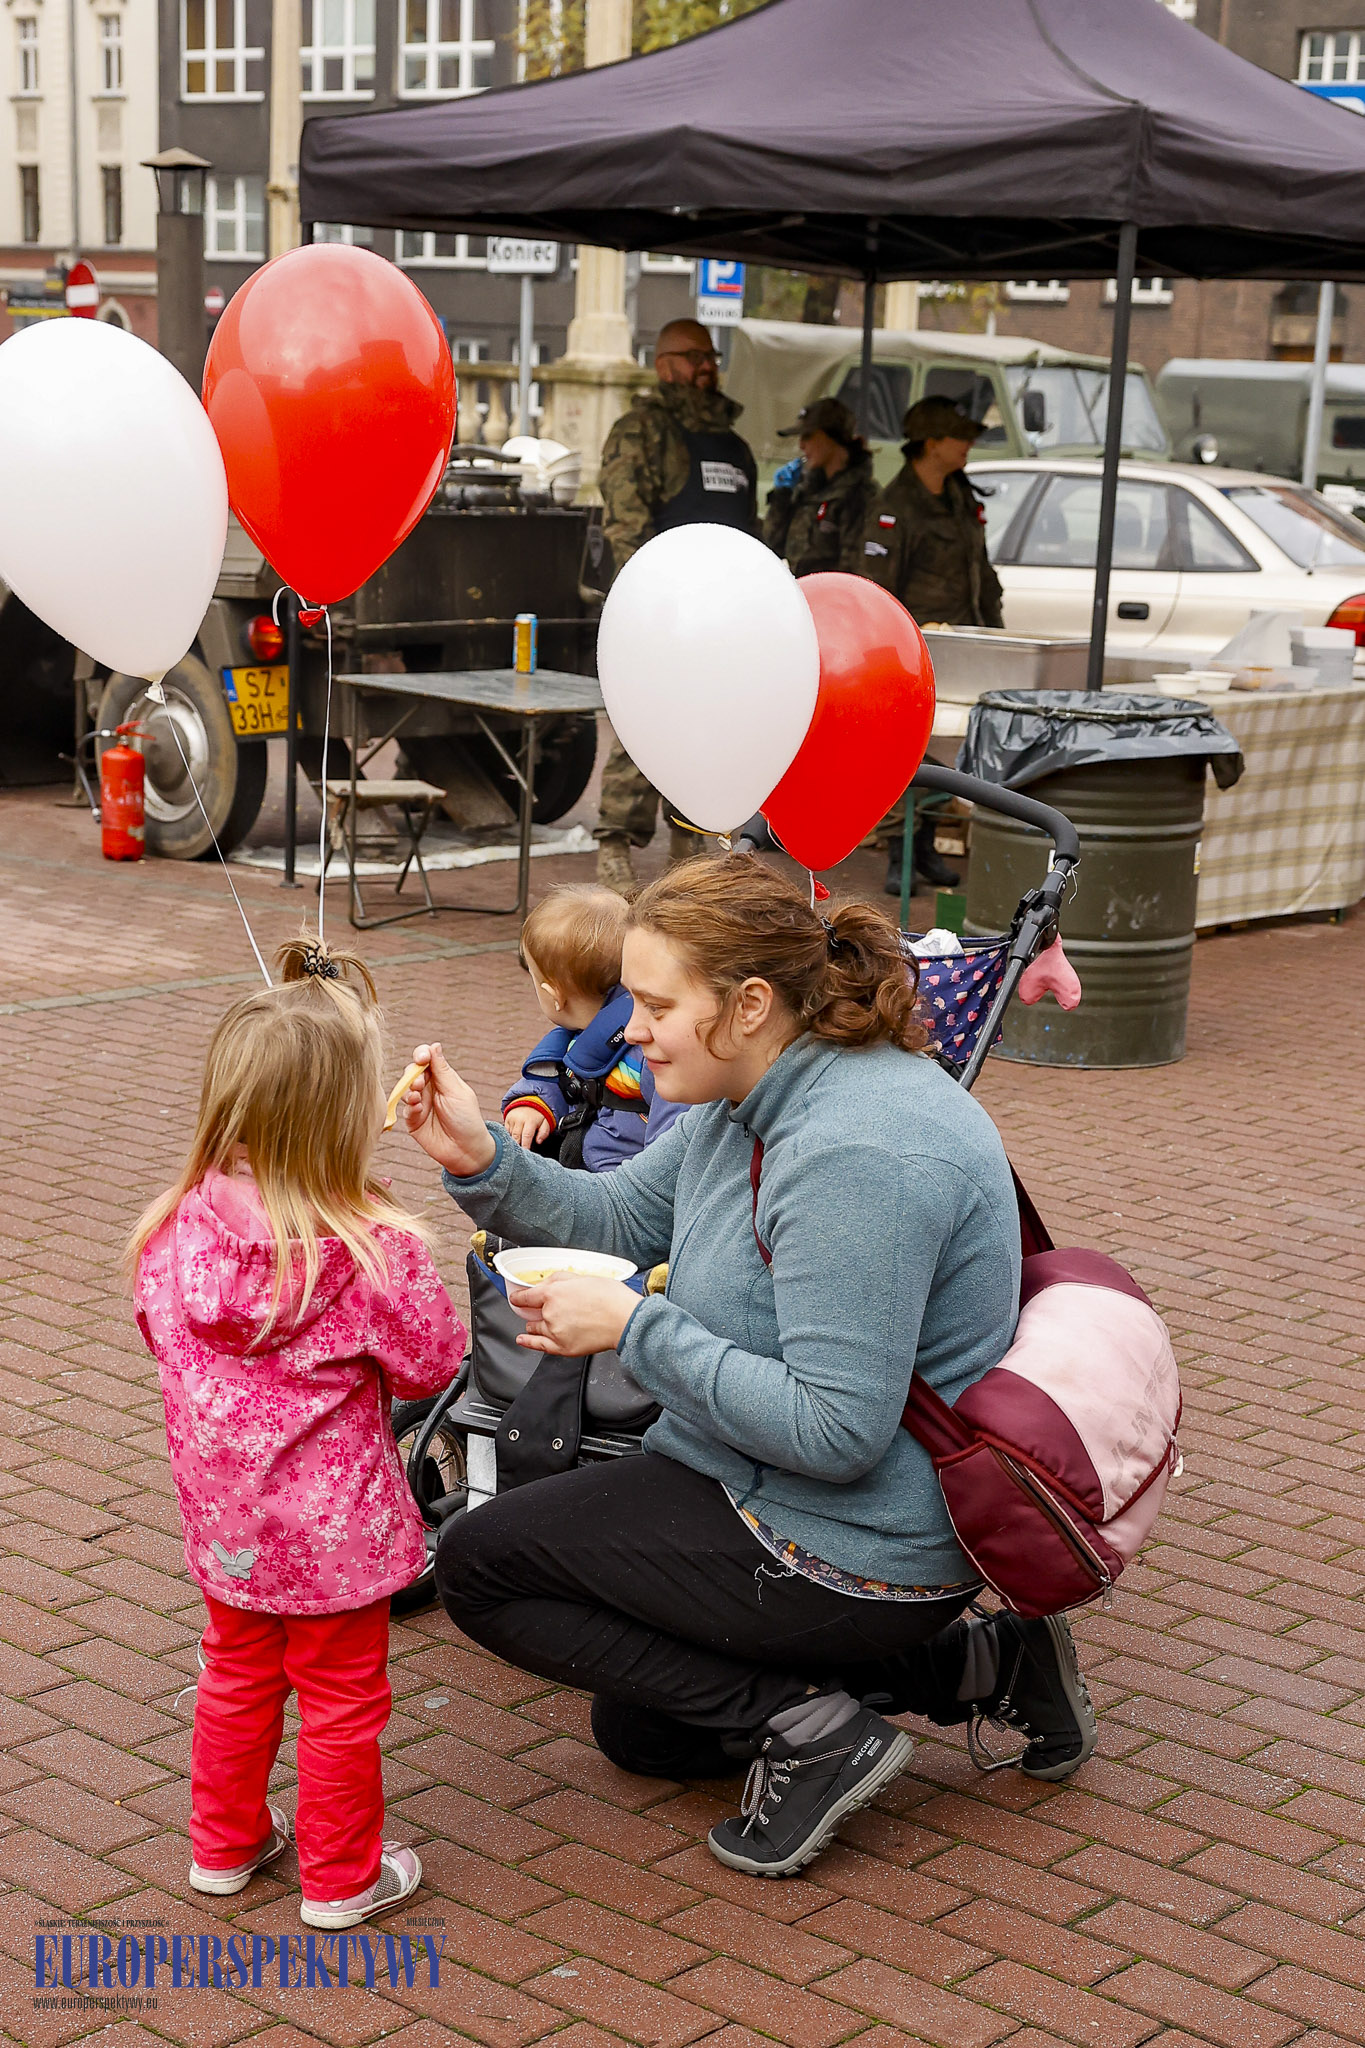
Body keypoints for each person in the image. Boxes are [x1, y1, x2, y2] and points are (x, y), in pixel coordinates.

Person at [401, 858, 1096, 1881]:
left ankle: (817, 1731)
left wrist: (635, 1329)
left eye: (654, 1002)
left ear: (751, 1002)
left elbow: (838, 1430)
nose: (626, 1029)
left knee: (480, 1559)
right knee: (647, 1731)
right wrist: (479, 1158)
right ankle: (980, 1665)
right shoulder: (755, 1090)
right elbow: (615, 1217)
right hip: (758, 1479)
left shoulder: (857, 1151)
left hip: (856, 1538)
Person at [131, 933, 464, 1930]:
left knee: (233, 1673)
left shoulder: (178, 1224)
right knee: (342, 1698)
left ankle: (224, 1847)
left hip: (226, 1523)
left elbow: (159, 1330)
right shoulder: (367, 1243)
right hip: (337, 1539)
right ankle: (341, 1877)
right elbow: (433, 1363)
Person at [594, 318, 759, 895]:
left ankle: (690, 844)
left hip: (726, 618)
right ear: (664, 364)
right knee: (644, 726)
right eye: (693, 356)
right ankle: (614, 842)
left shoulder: (735, 445)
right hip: (662, 612)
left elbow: (749, 531)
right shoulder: (641, 432)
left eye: (711, 354)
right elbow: (624, 525)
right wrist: (652, 603)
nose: (706, 365)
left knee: (709, 729)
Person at [862, 397, 1006, 895]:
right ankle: (898, 849)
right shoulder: (895, 505)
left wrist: (994, 630)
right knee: (902, 750)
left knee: (943, 750)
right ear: (931, 443)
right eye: (958, 438)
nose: (968, 446)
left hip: (963, 645)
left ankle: (924, 844)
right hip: (909, 650)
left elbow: (981, 571)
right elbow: (877, 588)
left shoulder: (960, 496)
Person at [502, 883, 685, 1170]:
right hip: (589, 1167)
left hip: (623, 1181)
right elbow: (556, 1078)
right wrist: (533, 1105)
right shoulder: (578, 1037)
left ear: (554, 996)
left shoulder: (647, 1050)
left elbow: (675, 1140)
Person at [763, 396, 877, 577]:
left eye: (808, 436)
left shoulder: (858, 496)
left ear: (832, 437)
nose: (801, 445)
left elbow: (853, 572)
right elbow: (772, 545)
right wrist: (782, 496)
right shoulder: (806, 490)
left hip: (831, 599)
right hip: (801, 595)